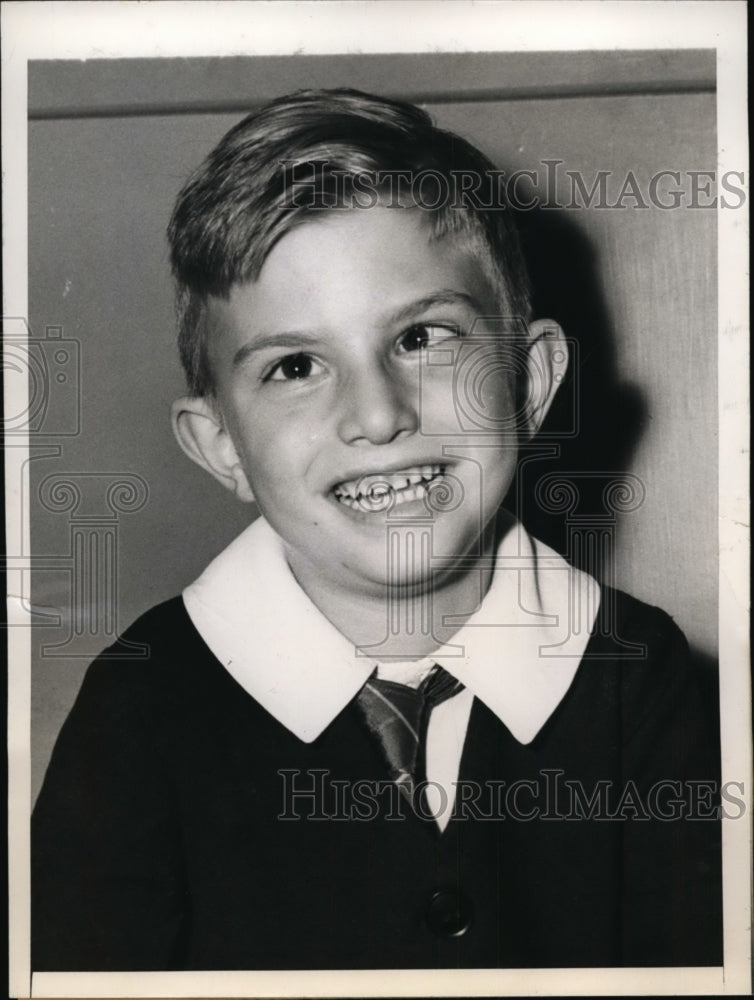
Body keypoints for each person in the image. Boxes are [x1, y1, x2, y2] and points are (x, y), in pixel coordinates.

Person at [32, 88, 722, 971]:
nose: (377, 415)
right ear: (222, 446)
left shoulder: (641, 680)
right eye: (295, 365)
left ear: (531, 382)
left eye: (422, 337)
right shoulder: (142, 706)